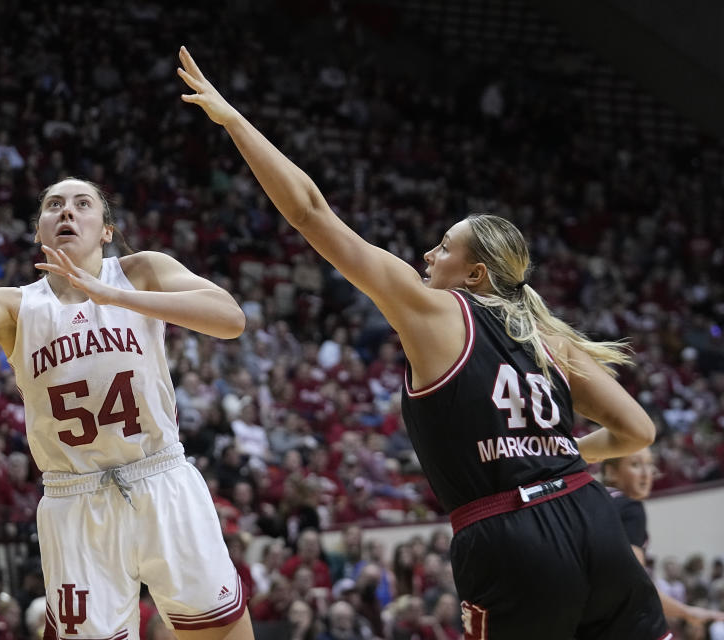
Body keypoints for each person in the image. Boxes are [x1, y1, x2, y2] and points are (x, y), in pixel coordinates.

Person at [178, 46, 668, 639]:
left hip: (513, 540)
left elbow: (311, 212)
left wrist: (234, 121)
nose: (428, 255)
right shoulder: (546, 336)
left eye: (443, 245)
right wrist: (560, 453)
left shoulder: (435, 310)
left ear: (475, 275)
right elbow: (638, 431)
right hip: (593, 518)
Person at [0, 153, 252, 640]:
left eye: (82, 203)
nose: (67, 212)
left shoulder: (141, 272)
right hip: (75, 501)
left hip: (160, 476)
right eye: (54, 205)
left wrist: (113, 296)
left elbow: (230, 318)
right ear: (39, 230)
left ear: (106, 231)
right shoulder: (16, 306)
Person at [603, 448, 724, 629]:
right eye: (635, 464)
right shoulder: (630, 507)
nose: (647, 473)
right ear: (611, 472)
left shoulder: (594, 501)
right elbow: (633, 580)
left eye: (650, 464)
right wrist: (686, 612)